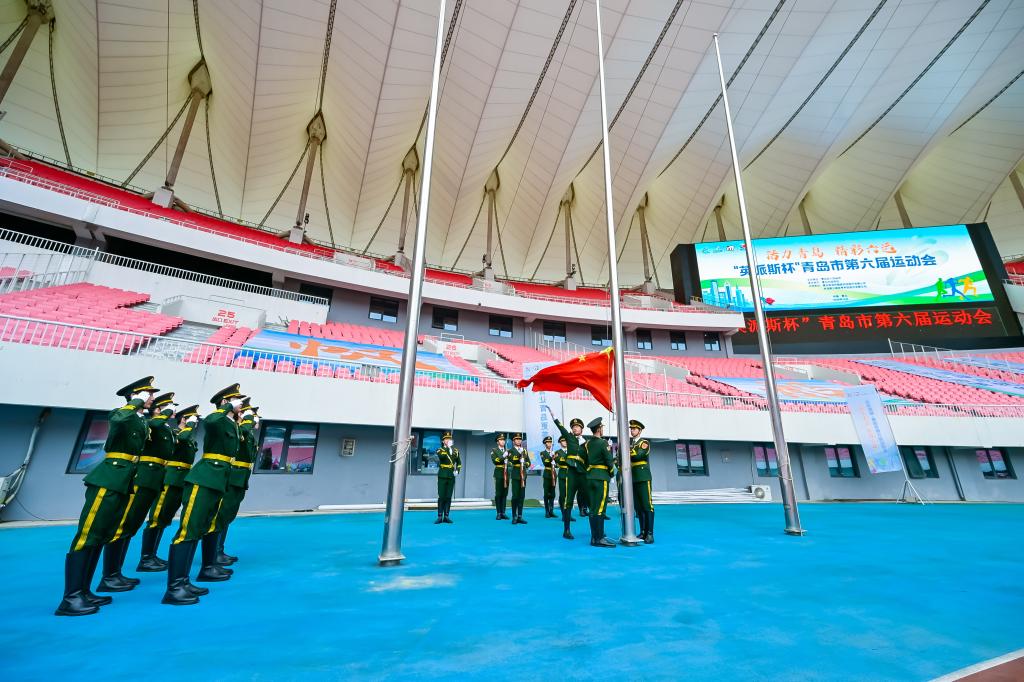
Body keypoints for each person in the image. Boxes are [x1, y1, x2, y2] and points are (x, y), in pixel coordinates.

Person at [56, 376, 156, 617]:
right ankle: (70, 598)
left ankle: (84, 591)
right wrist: (135, 402)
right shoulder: (122, 413)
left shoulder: (139, 420)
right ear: (135, 395)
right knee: (87, 536)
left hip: (123, 481)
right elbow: (119, 418)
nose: (151, 397)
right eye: (148, 393)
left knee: (101, 536)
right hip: (108, 479)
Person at [162, 384, 244, 606]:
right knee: (188, 530)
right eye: (235, 400)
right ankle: (174, 588)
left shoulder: (231, 424)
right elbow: (211, 419)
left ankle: (185, 581)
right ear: (225, 402)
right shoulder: (218, 419)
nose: (240, 404)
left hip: (218, 479)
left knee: (200, 529)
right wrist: (227, 406)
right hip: (204, 478)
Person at [99, 391, 177, 591]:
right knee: (122, 525)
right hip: (140, 477)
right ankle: (110, 575)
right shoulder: (147, 421)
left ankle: (116, 573)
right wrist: (161, 411)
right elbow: (152, 424)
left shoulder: (149, 423)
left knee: (131, 525)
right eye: (149, 396)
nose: (151, 398)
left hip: (151, 478)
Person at [139, 404, 200, 572]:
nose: (196, 422)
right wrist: (189, 425)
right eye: (192, 418)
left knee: (165, 518)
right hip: (171, 479)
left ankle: (152, 555)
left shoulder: (188, 436)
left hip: (181, 479)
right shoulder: (176, 433)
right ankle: (146, 558)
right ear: (184, 419)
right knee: (157, 517)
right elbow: (183, 438)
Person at [213, 401, 260, 564]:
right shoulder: (237, 429)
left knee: (227, 515)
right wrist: (247, 420)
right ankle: (213, 553)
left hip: (240, 478)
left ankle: (219, 549)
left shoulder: (246, 432)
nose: (255, 420)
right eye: (251, 415)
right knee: (221, 515)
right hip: (232, 477)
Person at [550, 409, 590, 540]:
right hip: (571, 472)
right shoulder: (569, 437)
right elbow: (561, 428)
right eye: (573, 427)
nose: (575, 428)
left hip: (583, 473)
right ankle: (566, 530)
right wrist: (554, 417)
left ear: (582, 429)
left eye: (577, 427)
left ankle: (596, 530)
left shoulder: (586, 442)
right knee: (568, 500)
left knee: (589, 499)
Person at [585, 417, 616, 548]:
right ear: (598, 429)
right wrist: (612, 473)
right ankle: (599, 538)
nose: (602, 429)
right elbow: (609, 461)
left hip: (590, 477)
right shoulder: (603, 443)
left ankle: (594, 537)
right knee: (600, 508)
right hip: (601, 477)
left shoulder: (587, 444)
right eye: (601, 428)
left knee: (592, 508)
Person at [629, 419, 654, 544]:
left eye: (634, 429)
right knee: (638, 507)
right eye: (631, 429)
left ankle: (649, 533)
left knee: (647, 505)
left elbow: (638, 455)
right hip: (633, 477)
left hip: (643, 476)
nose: (632, 431)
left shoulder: (644, 443)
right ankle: (643, 531)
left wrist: (627, 451)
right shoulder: (630, 444)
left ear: (639, 431)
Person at [434, 431, 461, 524]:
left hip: (451, 476)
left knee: (448, 497)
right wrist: (447, 448)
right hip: (442, 475)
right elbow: (442, 457)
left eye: (449, 439)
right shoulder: (440, 450)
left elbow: (459, 462)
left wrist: (457, 470)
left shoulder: (455, 451)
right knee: (442, 496)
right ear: (443, 441)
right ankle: (439, 516)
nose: (448, 440)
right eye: (446, 439)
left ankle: (446, 516)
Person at [507, 433, 531, 524]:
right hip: (516, 475)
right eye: (516, 439)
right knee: (515, 496)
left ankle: (520, 516)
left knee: (521, 496)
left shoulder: (524, 450)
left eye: (520, 439)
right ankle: (514, 516)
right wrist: (518, 459)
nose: (518, 441)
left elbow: (529, 462)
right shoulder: (510, 451)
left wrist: (525, 463)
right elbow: (510, 461)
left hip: (523, 475)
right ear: (513, 441)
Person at [490, 434, 509, 520]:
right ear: (497, 442)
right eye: (501, 440)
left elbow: (511, 462)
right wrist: (503, 456)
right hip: (498, 473)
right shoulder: (494, 450)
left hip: (506, 473)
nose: (503, 441)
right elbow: (495, 461)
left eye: (503, 440)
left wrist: (509, 462)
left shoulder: (507, 451)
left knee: (505, 493)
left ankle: (503, 512)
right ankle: (498, 513)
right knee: (498, 493)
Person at [540, 436, 557, 518]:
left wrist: (555, 460)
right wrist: (551, 457)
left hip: (554, 474)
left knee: (553, 493)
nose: (549, 444)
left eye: (550, 442)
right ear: (545, 444)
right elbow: (545, 462)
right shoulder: (543, 453)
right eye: (547, 442)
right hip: (547, 474)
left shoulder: (554, 452)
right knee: (546, 493)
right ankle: (547, 511)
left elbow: (558, 464)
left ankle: (551, 511)